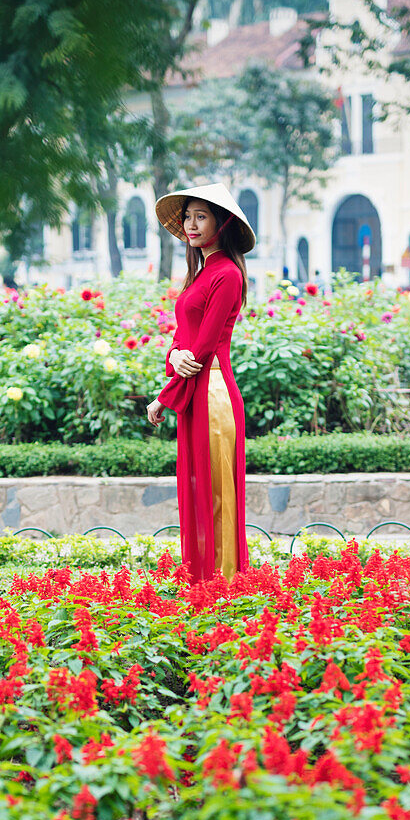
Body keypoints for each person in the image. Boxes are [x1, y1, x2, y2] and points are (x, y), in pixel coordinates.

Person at [146, 182, 256, 583]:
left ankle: (224, 583)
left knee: (215, 492)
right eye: (188, 216)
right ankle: (201, 580)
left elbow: (204, 348)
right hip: (195, 394)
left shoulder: (226, 274)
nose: (190, 225)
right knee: (197, 491)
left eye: (201, 216)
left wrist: (163, 396)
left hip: (213, 396)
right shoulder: (203, 273)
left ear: (221, 222)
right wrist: (173, 355)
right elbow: (185, 339)